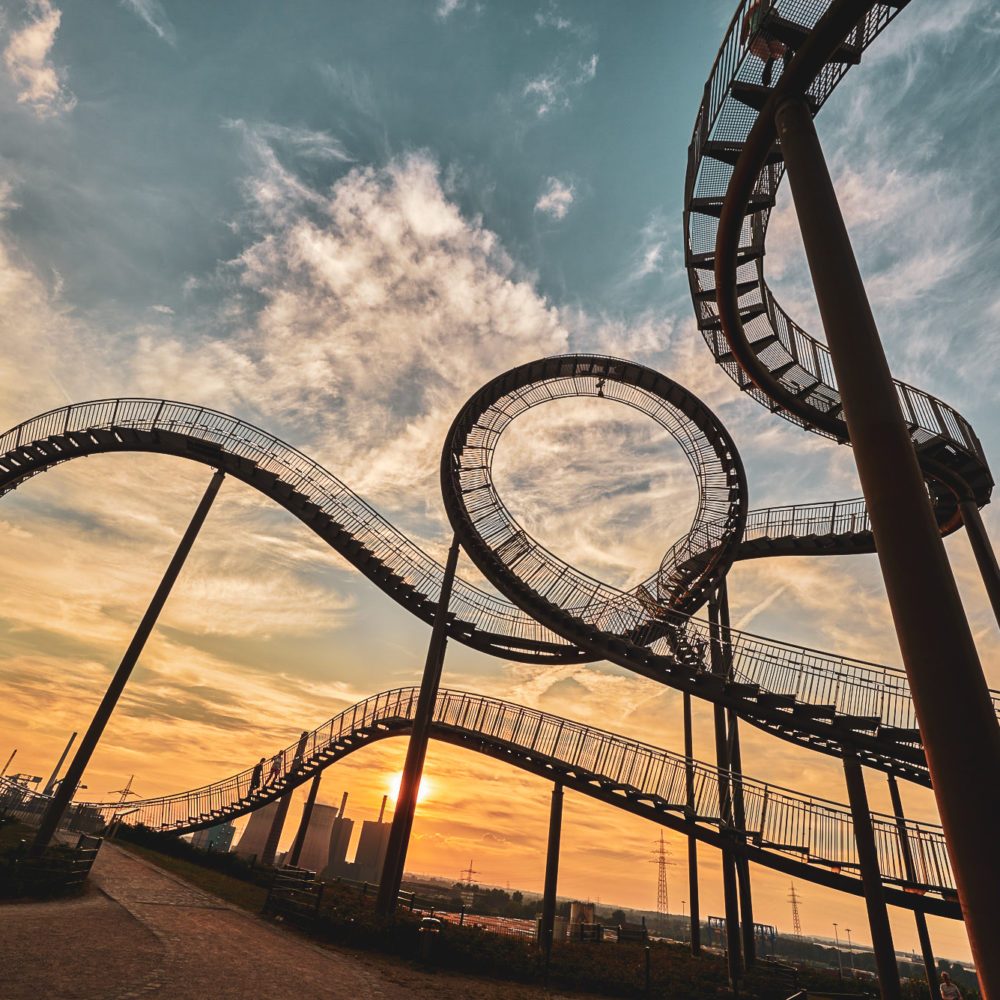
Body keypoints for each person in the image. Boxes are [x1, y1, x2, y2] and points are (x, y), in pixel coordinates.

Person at [740, 0, 786, 88]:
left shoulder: (772, 10)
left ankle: (782, 64)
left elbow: (778, 24)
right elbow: (744, 31)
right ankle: (771, 62)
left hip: (769, 35)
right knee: (766, 49)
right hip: (759, 34)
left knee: (780, 50)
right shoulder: (753, 9)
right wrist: (743, 38)